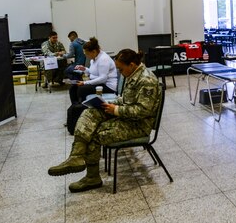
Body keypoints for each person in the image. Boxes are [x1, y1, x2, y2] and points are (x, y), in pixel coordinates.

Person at [48, 49, 160, 192]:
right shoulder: (133, 74)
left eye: (120, 68)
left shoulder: (146, 80)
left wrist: (116, 110)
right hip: (127, 117)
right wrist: (110, 103)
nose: (119, 71)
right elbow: (127, 100)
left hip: (138, 125)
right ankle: (75, 156)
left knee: (95, 134)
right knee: (91, 112)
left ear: (132, 65)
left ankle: (92, 178)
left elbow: (143, 111)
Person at [68, 37, 118, 104]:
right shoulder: (94, 59)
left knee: (82, 89)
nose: (86, 56)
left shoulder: (103, 59)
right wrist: (84, 69)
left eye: (87, 53)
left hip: (108, 87)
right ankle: (75, 106)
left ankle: (81, 107)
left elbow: (103, 78)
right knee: (73, 88)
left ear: (94, 51)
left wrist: (85, 83)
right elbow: (92, 72)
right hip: (100, 84)